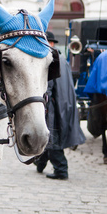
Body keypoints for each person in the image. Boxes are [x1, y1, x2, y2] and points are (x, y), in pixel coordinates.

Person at [35, 31, 86, 179]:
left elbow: (49, 87)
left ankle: (61, 170)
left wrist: (43, 104)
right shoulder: (61, 58)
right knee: (49, 136)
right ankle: (40, 163)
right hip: (62, 104)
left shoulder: (50, 59)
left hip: (53, 106)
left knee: (52, 139)